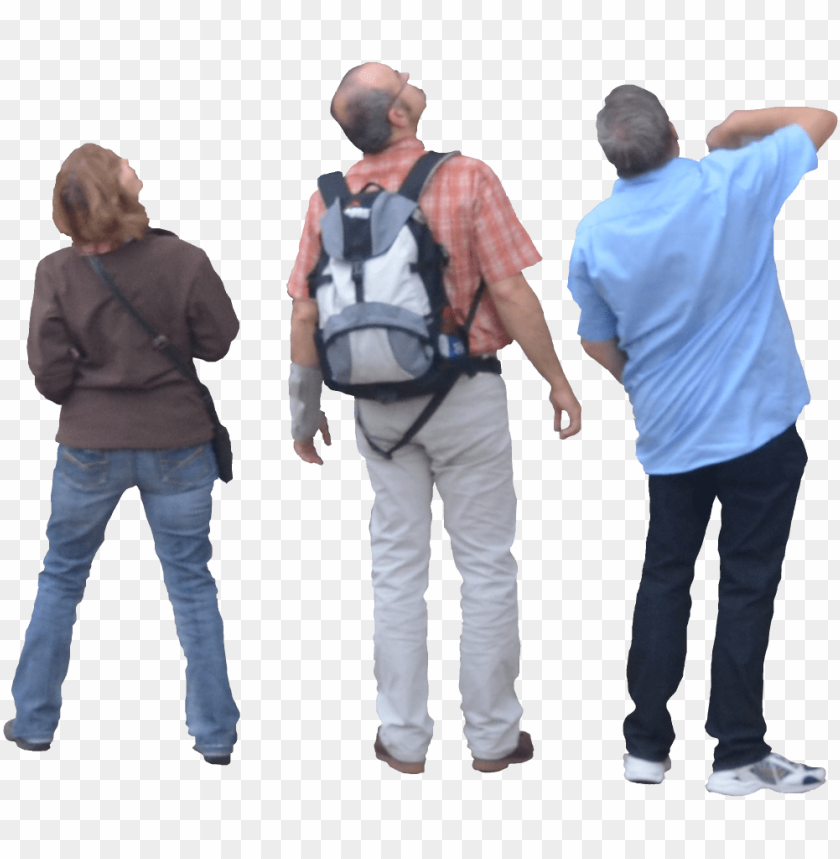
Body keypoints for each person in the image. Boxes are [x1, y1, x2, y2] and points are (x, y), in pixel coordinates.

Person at [287, 63, 582, 773]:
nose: (415, 81)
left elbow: (304, 309)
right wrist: (557, 379)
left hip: (378, 411)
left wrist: (303, 412)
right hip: (467, 394)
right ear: (396, 114)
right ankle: (492, 737)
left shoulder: (329, 198)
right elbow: (508, 291)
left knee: (396, 568)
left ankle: (403, 737)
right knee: (484, 563)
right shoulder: (467, 177)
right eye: (403, 81)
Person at [567, 85, 836, 795]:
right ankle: (738, 752)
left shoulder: (595, 233)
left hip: (671, 435)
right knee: (746, 584)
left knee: (665, 578)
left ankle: (646, 747)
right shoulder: (731, 178)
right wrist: (739, 124)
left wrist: (645, 384)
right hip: (758, 430)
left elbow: (597, 341)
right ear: (673, 134)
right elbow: (822, 119)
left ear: (612, 157)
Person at [5, 143, 241, 766]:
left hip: (89, 445)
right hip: (179, 443)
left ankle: (33, 721)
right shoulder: (183, 259)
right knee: (191, 585)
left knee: (61, 579)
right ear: (117, 189)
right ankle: (214, 734)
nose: (136, 166)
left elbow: (49, 376)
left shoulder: (55, 273)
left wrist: (93, 377)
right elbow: (219, 342)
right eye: (124, 164)